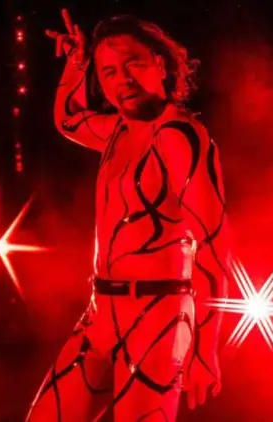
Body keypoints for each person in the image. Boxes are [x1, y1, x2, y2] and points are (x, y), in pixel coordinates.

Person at [27, 10, 231, 421]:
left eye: (132, 63)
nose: (122, 79)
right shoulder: (116, 132)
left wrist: (205, 349)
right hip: (101, 312)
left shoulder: (180, 137)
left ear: (160, 64)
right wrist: (77, 64)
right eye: (108, 72)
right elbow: (67, 119)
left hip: (159, 317)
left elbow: (213, 247)